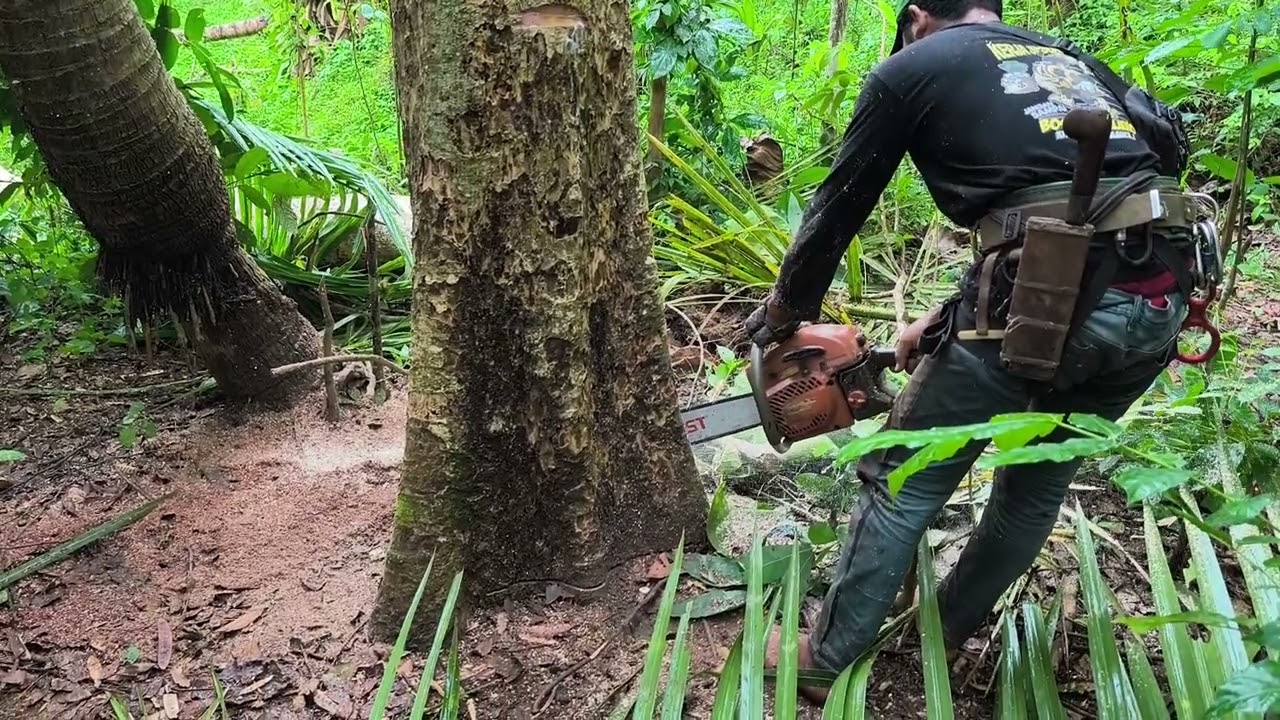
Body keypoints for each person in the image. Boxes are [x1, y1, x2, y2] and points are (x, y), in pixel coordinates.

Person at [746, 0, 1199, 704]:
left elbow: (842, 201)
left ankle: (826, 656)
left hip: (1060, 294)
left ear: (918, 16)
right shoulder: (1066, 58)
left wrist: (785, 312)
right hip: (1163, 292)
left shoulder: (912, 67)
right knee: (1035, 485)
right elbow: (1094, 200)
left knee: (901, 478)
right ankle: (941, 631)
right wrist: (941, 325)